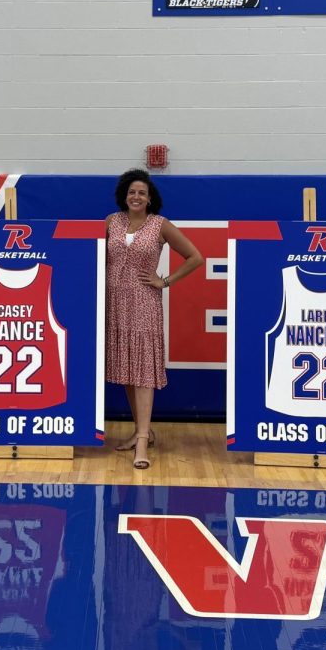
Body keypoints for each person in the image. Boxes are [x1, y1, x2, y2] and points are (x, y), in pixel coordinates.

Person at [106, 169, 203, 469]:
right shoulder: (111, 222)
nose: (136, 197)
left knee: (144, 372)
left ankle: (143, 443)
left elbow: (196, 257)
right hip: (114, 304)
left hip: (145, 303)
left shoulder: (160, 225)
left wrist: (166, 281)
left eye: (142, 193)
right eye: (132, 191)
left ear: (150, 199)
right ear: (125, 194)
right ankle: (139, 431)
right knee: (126, 370)